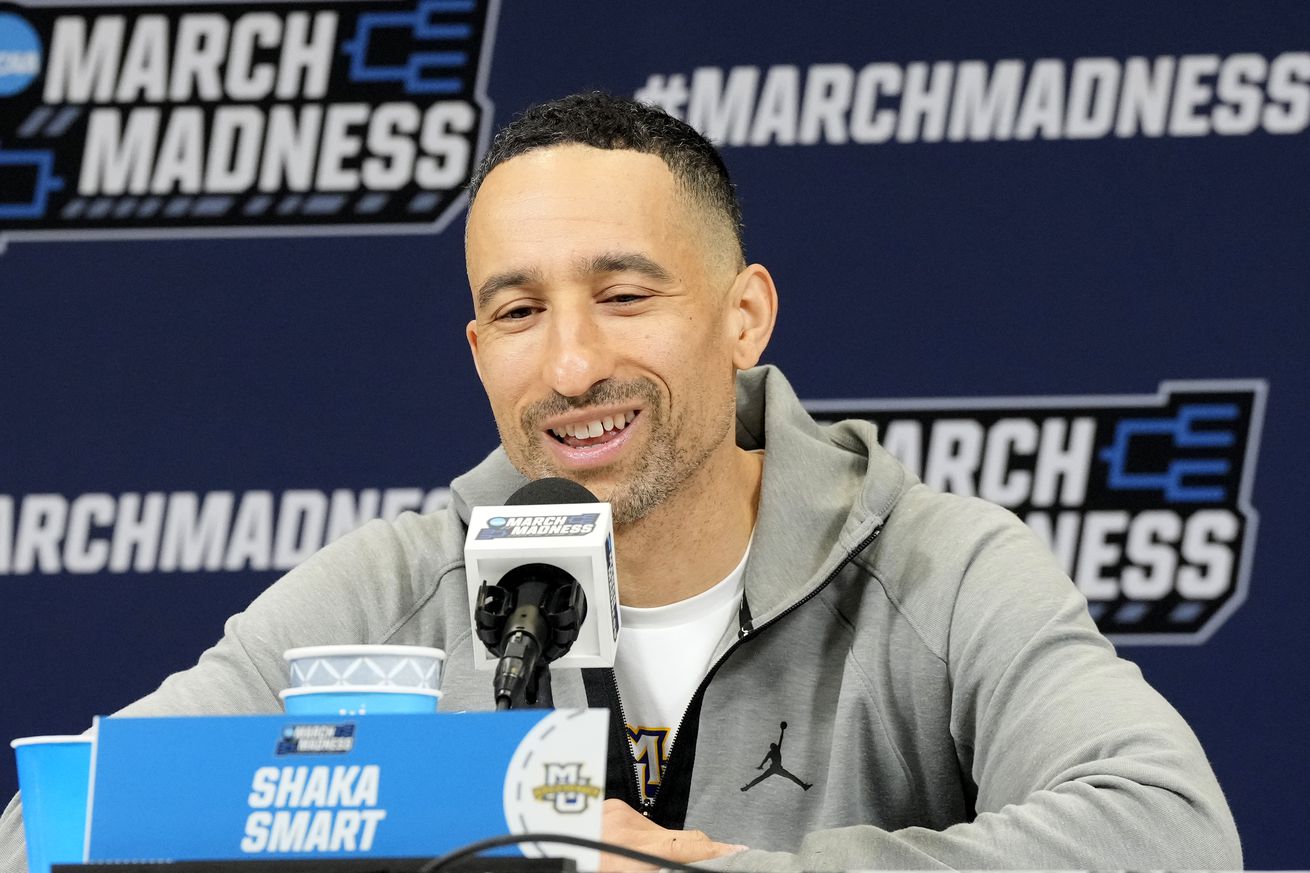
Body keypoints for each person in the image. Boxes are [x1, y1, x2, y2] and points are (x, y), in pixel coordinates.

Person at [0, 92, 1241, 872]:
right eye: (520, 311)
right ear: (480, 354)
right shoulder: (394, 584)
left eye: (625, 295)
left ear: (743, 315)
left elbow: (1170, 831)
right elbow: (54, 834)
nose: (574, 362)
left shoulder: (936, 563)